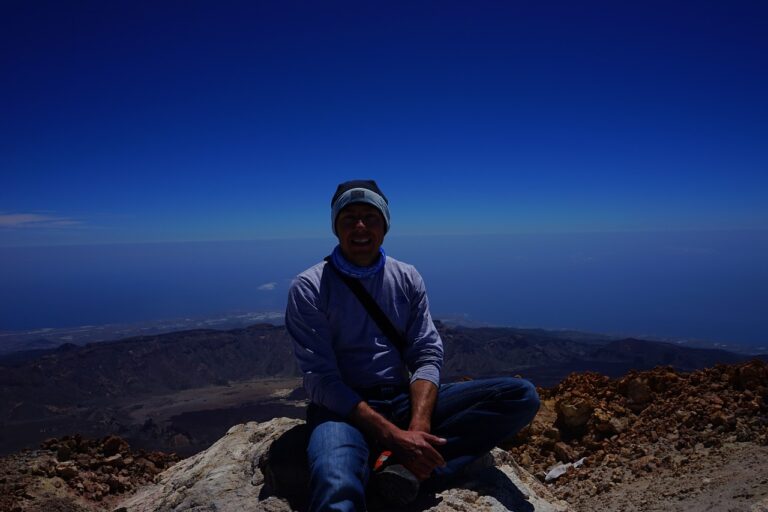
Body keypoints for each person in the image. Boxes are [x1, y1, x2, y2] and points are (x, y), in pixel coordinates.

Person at [286, 180, 540, 511]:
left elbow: (426, 353)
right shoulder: (310, 287)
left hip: (401, 400)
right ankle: (409, 466)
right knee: (336, 482)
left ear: (385, 224)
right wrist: (393, 435)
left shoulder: (406, 277)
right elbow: (321, 378)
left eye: (370, 216)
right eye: (349, 218)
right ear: (335, 227)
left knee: (520, 396)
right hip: (343, 411)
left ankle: (405, 469)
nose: (360, 226)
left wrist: (418, 428)